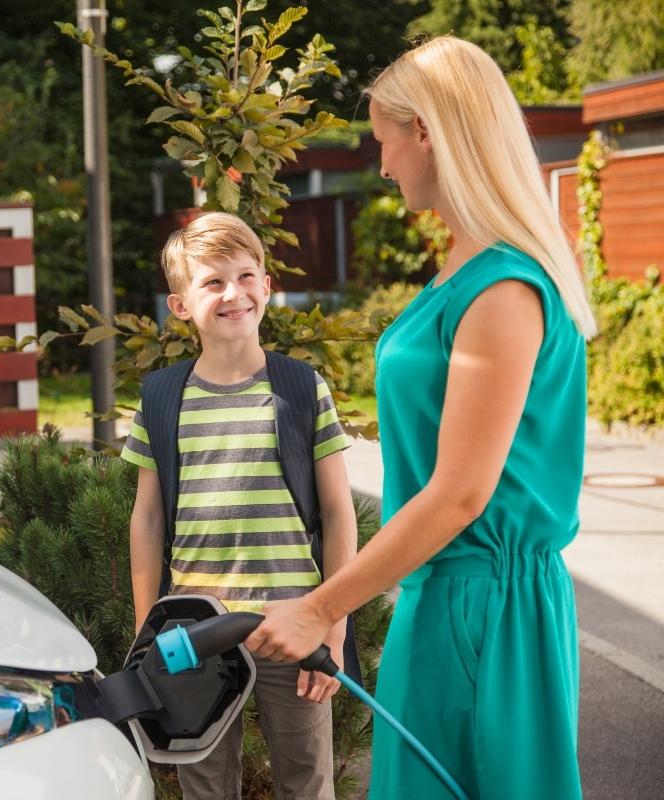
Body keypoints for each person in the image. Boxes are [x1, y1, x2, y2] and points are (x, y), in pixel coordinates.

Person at [244, 36, 596, 800]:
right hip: (444, 596)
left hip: (485, 606)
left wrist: (321, 607)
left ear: (427, 131)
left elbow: (462, 493)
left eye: (383, 141)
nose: (382, 164)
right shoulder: (465, 273)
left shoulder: (503, 289)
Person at [121, 211, 357, 800]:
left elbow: (338, 513)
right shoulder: (161, 396)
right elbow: (147, 519)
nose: (233, 293)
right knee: (205, 786)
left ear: (267, 287)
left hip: (293, 620)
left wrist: (332, 622)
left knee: (307, 782)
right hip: (195, 630)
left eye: (246, 275)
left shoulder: (302, 388)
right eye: (212, 282)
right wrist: (148, 630)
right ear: (180, 306)